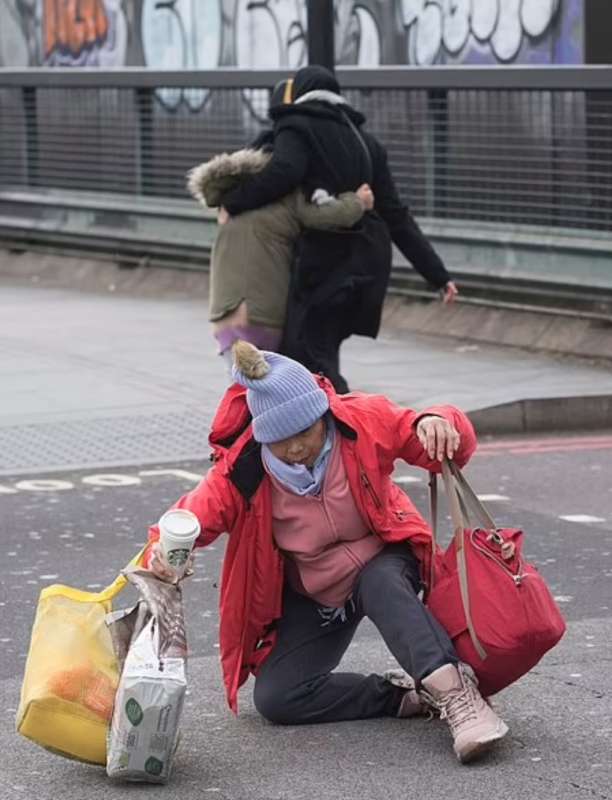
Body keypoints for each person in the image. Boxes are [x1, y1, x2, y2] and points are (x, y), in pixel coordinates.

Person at [144, 340, 508, 764]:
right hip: (317, 587)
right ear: (263, 437)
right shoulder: (243, 470)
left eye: (305, 432)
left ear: (322, 415)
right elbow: (187, 519)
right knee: (279, 698)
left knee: (380, 581)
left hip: (384, 558)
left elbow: (431, 434)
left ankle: (458, 695)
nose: (296, 448)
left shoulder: (360, 420)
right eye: (280, 440)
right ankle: (403, 698)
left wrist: (438, 421)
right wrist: (163, 552)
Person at [218, 65, 458, 393]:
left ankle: (346, 430)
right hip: (367, 262)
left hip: (325, 264)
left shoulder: (297, 125)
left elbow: (285, 171)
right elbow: (396, 216)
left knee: (310, 359)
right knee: (319, 352)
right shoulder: (367, 144)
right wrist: (437, 275)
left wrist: (232, 202)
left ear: (300, 93)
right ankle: (329, 430)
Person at [187, 147, 373, 368]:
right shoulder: (285, 198)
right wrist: (358, 201)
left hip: (224, 313)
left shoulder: (230, 204)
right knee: (265, 388)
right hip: (262, 314)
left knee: (242, 386)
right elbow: (327, 216)